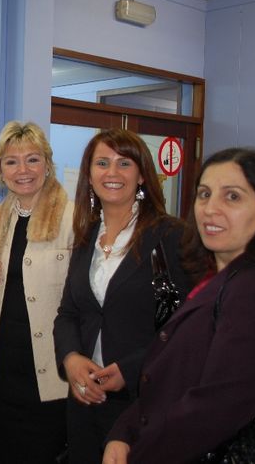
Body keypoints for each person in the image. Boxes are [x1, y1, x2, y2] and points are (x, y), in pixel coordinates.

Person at [102, 147, 255, 464]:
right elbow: (172, 376)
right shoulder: (219, 279)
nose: (210, 209)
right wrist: (123, 432)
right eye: (204, 194)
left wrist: (140, 454)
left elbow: (216, 408)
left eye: (232, 197)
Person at [53, 129, 190, 463]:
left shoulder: (170, 237)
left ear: (142, 175)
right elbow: (68, 313)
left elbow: (182, 327)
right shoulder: (86, 235)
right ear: (89, 175)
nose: (111, 172)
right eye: (102, 163)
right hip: (84, 398)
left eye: (124, 163)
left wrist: (130, 370)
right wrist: (70, 359)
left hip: (142, 402)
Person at [0, 121, 74, 463]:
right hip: (2, 368)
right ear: (1, 170)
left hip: (49, 370)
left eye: (32, 159)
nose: (22, 170)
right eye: (11, 161)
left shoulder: (72, 217)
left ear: (47, 164)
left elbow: (83, 298)